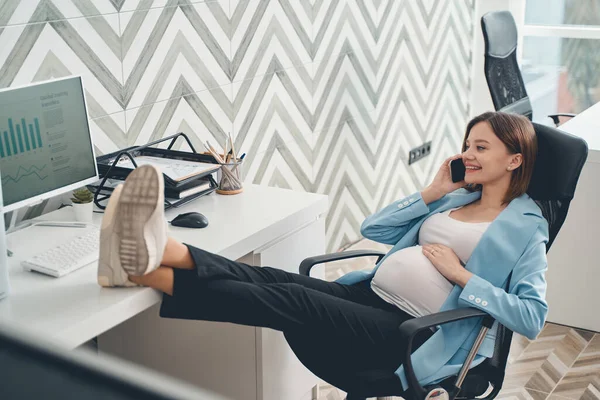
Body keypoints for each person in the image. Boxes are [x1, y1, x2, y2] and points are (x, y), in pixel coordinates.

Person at [96, 111, 549, 396]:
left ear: (514, 160)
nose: (467, 154)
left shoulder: (526, 228)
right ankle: (162, 253)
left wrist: (461, 274)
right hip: (371, 297)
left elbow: (531, 316)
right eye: (467, 145)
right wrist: (433, 190)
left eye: (481, 147)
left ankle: (147, 269)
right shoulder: (454, 199)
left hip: (415, 333)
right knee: (275, 279)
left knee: (295, 301)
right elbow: (374, 229)